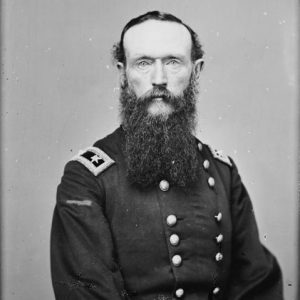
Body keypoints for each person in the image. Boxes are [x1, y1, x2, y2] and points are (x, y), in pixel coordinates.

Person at [50, 11, 283, 300]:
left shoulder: (223, 172)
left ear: (196, 71)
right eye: (144, 63)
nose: (158, 79)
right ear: (123, 74)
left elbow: (257, 285)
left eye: (173, 62)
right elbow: (87, 292)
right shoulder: (86, 177)